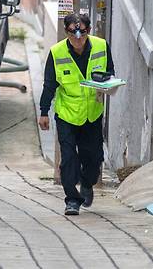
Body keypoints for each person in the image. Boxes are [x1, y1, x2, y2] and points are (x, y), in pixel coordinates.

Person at [38, 13, 115, 216]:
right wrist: (43, 111)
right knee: (69, 158)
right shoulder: (57, 52)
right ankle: (72, 199)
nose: (78, 38)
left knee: (94, 158)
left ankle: (87, 183)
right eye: (73, 33)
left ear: (88, 31)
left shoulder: (101, 46)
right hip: (67, 115)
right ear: (67, 32)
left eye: (82, 33)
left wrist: (109, 85)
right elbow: (49, 84)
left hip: (92, 114)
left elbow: (110, 73)